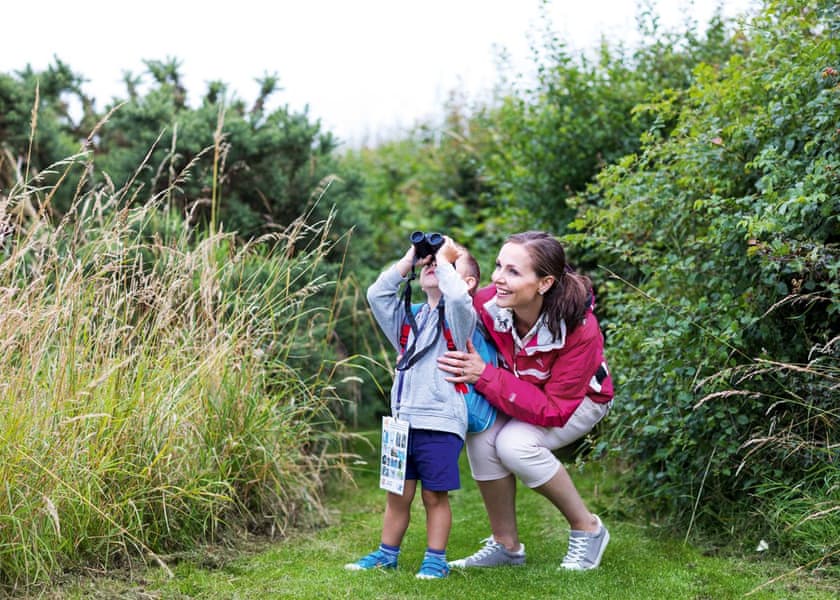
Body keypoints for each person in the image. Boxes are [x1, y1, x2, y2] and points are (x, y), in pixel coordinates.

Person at [438, 231, 614, 571]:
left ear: (544, 283)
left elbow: (555, 408)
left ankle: (588, 529)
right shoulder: (491, 304)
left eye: (513, 272)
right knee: (483, 434)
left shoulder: (580, 329)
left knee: (515, 445)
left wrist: (484, 374)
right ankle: (506, 546)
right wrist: (450, 258)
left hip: (580, 401)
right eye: (498, 266)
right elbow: (455, 299)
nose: (498, 279)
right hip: (522, 393)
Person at [345, 235, 483, 580]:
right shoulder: (409, 320)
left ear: (465, 281)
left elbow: (457, 299)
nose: (434, 265)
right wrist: (409, 259)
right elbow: (376, 295)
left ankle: (435, 559)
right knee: (397, 495)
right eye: (431, 262)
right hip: (402, 422)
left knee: (435, 496)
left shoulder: (460, 319)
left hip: (440, 422)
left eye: (446, 264)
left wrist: (447, 260)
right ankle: (385, 554)